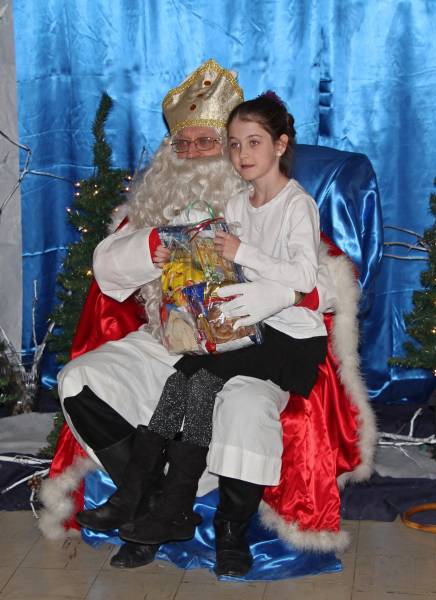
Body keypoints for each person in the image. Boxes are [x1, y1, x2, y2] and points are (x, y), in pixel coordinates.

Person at [39, 59, 377, 579]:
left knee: (237, 405)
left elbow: (325, 283)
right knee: (80, 380)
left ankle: (196, 521)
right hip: (165, 339)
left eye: (210, 142)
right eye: (184, 143)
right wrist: (156, 244)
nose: (195, 153)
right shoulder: (158, 207)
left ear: (268, 146)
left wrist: (273, 294)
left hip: (253, 341)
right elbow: (107, 271)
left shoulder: (274, 203)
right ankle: (153, 501)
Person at [75, 92, 329, 554]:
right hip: (240, 334)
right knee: (184, 384)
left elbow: (307, 277)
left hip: (289, 343)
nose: (239, 154)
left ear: (280, 145)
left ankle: (166, 505)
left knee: (197, 381)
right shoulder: (237, 204)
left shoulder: (298, 205)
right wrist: (175, 254)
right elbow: (214, 268)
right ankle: (148, 499)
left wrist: (246, 257)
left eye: (211, 142)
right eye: (234, 144)